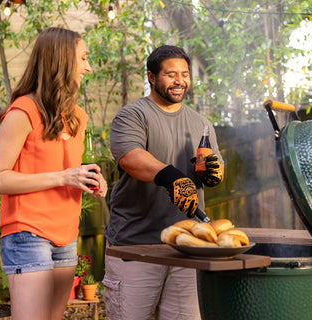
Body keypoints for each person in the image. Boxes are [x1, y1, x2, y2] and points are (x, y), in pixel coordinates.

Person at [0, 27, 108, 320]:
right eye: (83, 58)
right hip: (27, 233)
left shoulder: (77, 116)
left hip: (65, 234)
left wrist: (91, 180)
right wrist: (64, 177)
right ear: (61, 61)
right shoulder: (23, 111)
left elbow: (70, 172)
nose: (88, 67)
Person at [103, 45, 224, 320]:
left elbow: (216, 167)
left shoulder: (201, 123)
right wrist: (173, 177)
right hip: (135, 247)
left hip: (187, 247)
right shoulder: (132, 115)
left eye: (185, 74)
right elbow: (130, 158)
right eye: (171, 74)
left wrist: (212, 173)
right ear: (152, 77)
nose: (180, 81)